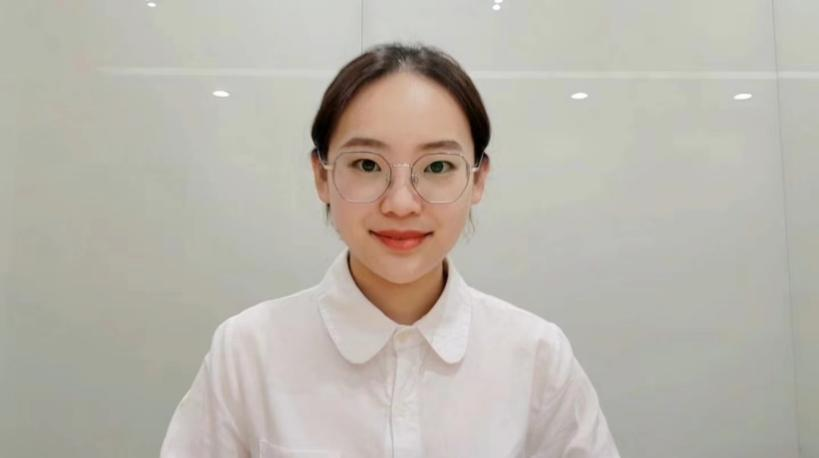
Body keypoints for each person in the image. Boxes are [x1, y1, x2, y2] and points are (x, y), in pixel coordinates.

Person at [160, 42, 620, 458]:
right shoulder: (247, 352)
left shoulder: (536, 357)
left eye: (437, 166)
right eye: (367, 164)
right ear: (322, 176)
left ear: (478, 179)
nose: (401, 203)